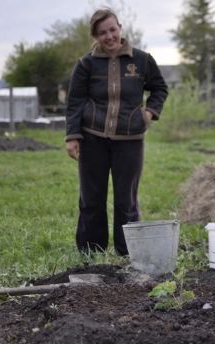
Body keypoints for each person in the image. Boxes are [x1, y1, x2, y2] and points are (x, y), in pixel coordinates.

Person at [65, 7, 168, 256]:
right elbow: (75, 101)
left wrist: (148, 113)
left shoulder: (142, 60)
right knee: (91, 199)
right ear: (95, 36)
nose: (109, 36)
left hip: (130, 140)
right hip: (92, 139)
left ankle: (127, 251)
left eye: (112, 30)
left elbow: (160, 89)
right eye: (102, 33)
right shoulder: (85, 64)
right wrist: (72, 136)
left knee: (126, 200)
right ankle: (92, 251)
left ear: (120, 28)